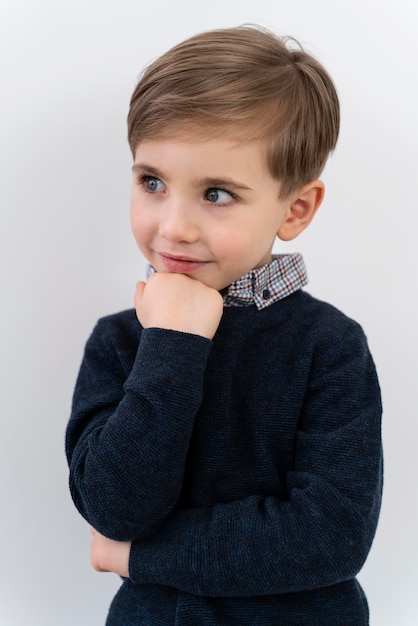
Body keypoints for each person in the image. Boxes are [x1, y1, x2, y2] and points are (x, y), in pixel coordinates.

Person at [65, 25, 383, 625]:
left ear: (295, 209)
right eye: (152, 182)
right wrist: (172, 346)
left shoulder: (331, 347)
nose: (175, 226)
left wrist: (138, 557)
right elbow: (116, 510)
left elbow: (329, 539)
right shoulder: (121, 342)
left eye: (216, 193)